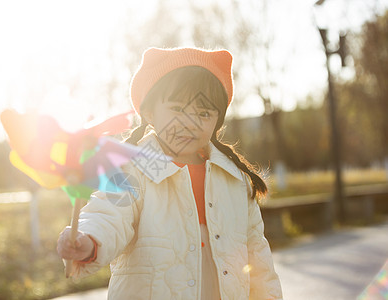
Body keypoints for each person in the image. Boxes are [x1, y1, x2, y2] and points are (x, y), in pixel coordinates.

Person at [57, 47, 283, 300]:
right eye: (177, 108)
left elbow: (258, 257)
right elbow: (109, 214)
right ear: (150, 113)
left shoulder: (235, 179)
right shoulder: (133, 169)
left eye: (203, 113)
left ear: (217, 121)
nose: (189, 122)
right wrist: (88, 239)